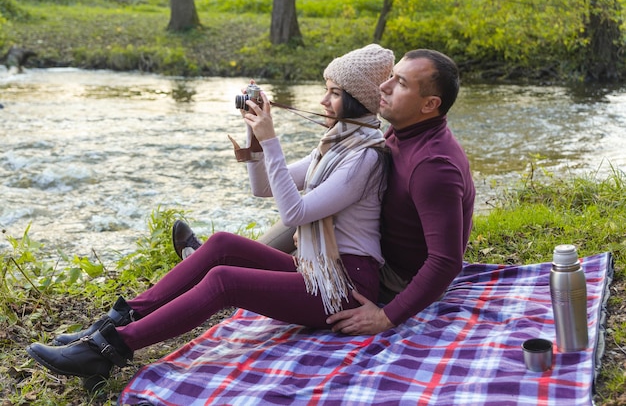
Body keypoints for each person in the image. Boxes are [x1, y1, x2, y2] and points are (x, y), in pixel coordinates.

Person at [26, 44, 395, 390]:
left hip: (343, 289)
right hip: (319, 271)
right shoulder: (338, 143)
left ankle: (108, 350)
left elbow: (293, 211)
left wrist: (271, 140)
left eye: (332, 91)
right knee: (221, 244)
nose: (322, 99)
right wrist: (254, 137)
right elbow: (264, 187)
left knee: (223, 281)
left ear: (355, 97)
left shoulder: (364, 157)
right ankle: (113, 322)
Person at [175, 48, 475, 336]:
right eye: (391, 76)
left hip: (389, 276)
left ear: (429, 104)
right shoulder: (403, 130)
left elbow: (445, 261)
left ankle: (208, 268)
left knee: (298, 222)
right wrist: (255, 133)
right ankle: (205, 263)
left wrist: (386, 317)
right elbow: (270, 190)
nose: (384, 87)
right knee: (297, 220)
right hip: (373, 250)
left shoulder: (435, 166)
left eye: (400, 83)